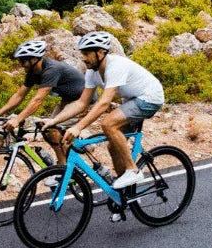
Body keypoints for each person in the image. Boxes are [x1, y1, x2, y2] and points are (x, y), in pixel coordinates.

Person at [60, 30, 165, 190]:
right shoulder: (92, 72)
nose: (83, 58)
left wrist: (78, 127)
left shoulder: (115, 66)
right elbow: (82, 103)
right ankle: (126, 195)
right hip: (132, 99)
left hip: (150, 97)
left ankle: (133, 171)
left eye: (86, 53)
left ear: (100, 52)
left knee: (108, 123)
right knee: (113, 146)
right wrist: (54, 121)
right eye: (82, 53)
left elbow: (104, 103)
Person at [0, 39, 94, 163]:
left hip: (83, 101)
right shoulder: (32, 72)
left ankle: (65, 166)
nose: (21, 64)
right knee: (48, 130)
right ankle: (63, 166)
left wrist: (17, 119)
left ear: (33, 59)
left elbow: (37, 100)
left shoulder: (51, 69)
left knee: (58, 135)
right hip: (67, 101)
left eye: (23, 61)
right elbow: (19, 96)